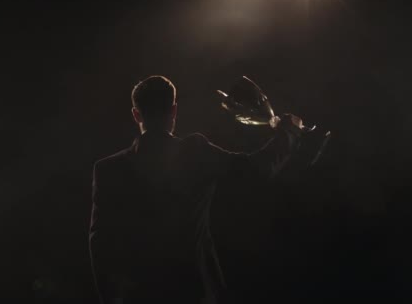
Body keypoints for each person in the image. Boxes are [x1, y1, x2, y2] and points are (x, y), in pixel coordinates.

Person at [89, 76, 303, 304]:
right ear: (173, 110)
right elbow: (256, 169)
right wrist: (288, 133)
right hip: (195, 294)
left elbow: (100, 243)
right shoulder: (194, 152)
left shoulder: (108, 169)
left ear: (136, 114)